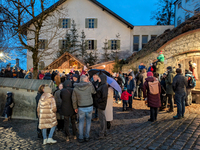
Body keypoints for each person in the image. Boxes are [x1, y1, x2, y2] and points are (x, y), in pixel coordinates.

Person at [72, 75, 96, 143]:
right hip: (89, 105)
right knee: (88, 122)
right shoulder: (90, 86)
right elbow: (94, 92)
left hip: (81, 107)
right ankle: (87, 136)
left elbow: (74, 99)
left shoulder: (75, 88)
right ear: (86, 80)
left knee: (81, 122)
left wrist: (75, 107)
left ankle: (81, 137)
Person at [96, 74, 108, 139]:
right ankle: (104, 131)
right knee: (103, 118)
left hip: (101, 104)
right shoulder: (102, 85)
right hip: (101, 104)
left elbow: (104, 97)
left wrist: (98, 101)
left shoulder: (104, 86)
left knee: (102, 119)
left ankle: (102, 133)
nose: (98, 79)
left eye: (99, 78)